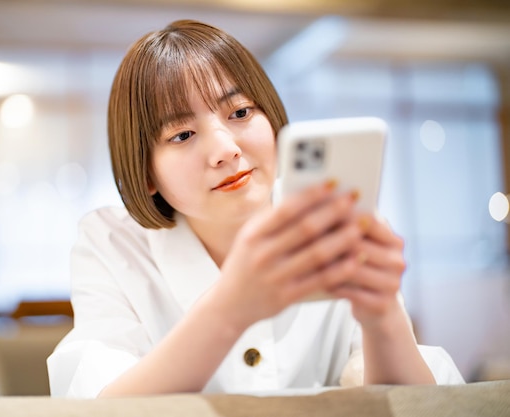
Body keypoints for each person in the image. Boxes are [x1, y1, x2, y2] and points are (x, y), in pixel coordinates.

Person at [47, 19, 464, 398]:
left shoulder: (338, 225)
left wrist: (382, 314)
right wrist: (229, 308)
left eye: (241, 112)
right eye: (182, 134)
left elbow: (419, 405)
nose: (226, 150)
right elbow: (100, 405)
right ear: (146, 171)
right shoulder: (112, 243)